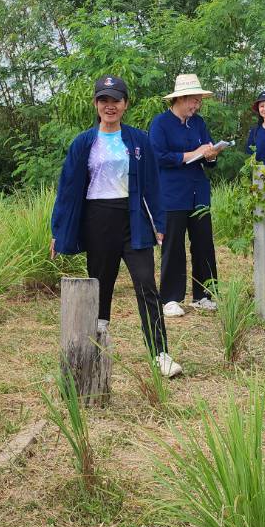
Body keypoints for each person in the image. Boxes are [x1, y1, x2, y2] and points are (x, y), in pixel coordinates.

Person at [50, 75, 182, 378]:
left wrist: (159, 223)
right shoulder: (84, 142)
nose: (110, 106)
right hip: (98, 220)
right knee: (100, 287)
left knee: (147, 284)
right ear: (96, 104)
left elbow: (152, 184)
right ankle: (96, 352)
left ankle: (160, 353)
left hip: (133, 219)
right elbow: (68, 190)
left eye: (116, 100)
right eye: (104, 100)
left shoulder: (138, 140)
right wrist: (59, 231)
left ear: (125, 104)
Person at [148, 73, 222, 317]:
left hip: (198, 192)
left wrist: (211, 155)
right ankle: (170, 298)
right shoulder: (160, 123)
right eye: (193, 100)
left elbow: (207, 154)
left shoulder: (199, 123)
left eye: (199, 101)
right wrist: (190, 155)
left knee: (203, 244)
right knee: (173, 246)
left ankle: (204, 295)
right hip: (171, 194)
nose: (196, 106)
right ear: (180, 99)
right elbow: (157, 156)